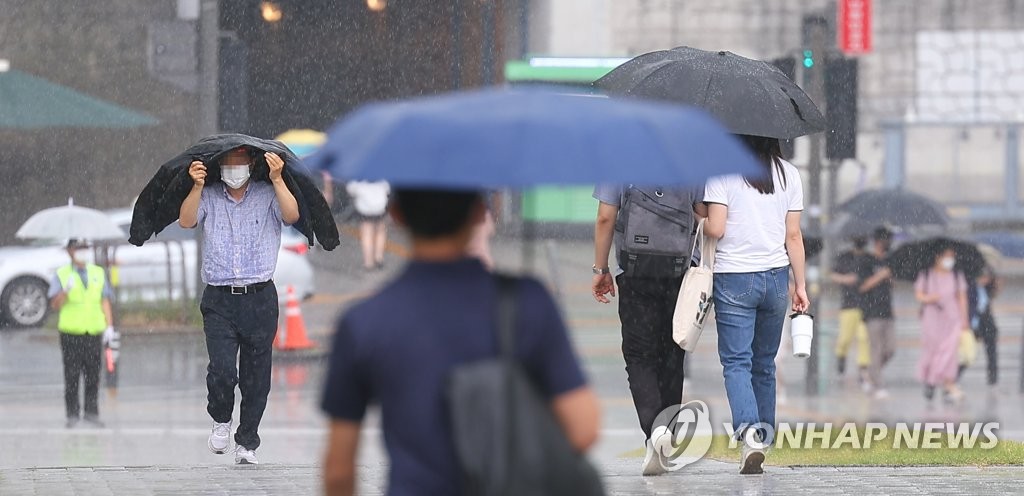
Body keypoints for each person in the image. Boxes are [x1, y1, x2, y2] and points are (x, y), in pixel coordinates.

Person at [321, 189, 599, 496]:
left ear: (397, 215)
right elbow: (583, 428)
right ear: (480, 212)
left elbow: (338, 470)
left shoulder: (364, 321)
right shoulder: (527, 303)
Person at [179, 146, 300, 465]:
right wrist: (196, 186)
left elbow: (291, 215)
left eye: (239, 164)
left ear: (251, 165)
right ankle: (221, 418)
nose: (234, 170)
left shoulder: (267, 193)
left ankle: (247, 441)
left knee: (256, 377)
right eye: (227, 164)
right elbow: (186, 220)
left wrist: (277, 178)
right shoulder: (210, 194)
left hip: (259, 296)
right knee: (221, 369)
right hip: (219, 298)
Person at [699, 135, 809, 475]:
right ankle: (764, 434)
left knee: (736, 362)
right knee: (764, 363)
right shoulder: (789, 173)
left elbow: (716, 229)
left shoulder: (722, 172)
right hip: (776, 278)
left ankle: (749, 436)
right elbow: (793, 236)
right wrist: (800, 284)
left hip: (734, 277)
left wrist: (697, 214)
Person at [592, 184, 702, 475]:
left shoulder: (619, 153)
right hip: (679, 272)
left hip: (636, 270)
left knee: (639, 356)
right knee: (673, 354)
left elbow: (606, 217)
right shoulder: (690, 155)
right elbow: (704, 214)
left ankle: (655, 430)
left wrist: (600, 268)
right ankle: (665, 430)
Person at [49, 239, 116, 429]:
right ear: (70, 251)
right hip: (71, 332)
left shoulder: (97, 272)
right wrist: (65, 291)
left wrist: (109, 326)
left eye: (85, 248)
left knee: (93, 374)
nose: (82, 252)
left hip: (93, 331)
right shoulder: (62, 274)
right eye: (78, 248)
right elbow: (55, 304)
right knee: (71, 374)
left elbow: (104, 300)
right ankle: (72, 413)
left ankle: (91, 412)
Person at [914, 243, 969, 404]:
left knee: (950, 352)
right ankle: (931, 381)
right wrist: (930, 298)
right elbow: (919, 294)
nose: (950, 260)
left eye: (952, 257)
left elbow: (962, 297)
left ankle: (947, 385)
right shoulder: (926, 274)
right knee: (933, 350)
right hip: (932, 318)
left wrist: (964, 319)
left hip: (952, 318)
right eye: (947, 256)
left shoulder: (957, 276)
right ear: (938, 257)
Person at [858, 227, 897, 399]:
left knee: (890, 349)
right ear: (877, 241)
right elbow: (862, 285)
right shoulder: (865, 260)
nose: (887, 244)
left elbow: (893, 283)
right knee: (876, 349)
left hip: (887, 311)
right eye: (884, 240)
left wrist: (889, 276)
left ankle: (870, 373)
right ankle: (878, 385)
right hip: (872, 312)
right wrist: (880, 275)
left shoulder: (889, 261)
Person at [830, 237, 872, 387]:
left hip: (865, 305)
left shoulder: (868, 259)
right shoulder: (844, 257)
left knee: (863, 338)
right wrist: (845, 279)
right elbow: (832, 274)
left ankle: (863, 371)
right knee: (844, 339)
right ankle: (841, 364)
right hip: (848, 305)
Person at [346, 180, 390, 271]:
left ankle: (368, 262)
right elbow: (387, 189)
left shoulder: (360, 176)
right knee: (381, 232)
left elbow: (351, 189)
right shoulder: (382, 176)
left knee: (366, 235)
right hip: (380, 207)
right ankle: (379, 257)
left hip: (365, 208)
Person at [969, 265, 1000, 387]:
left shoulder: (986, 288)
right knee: (968, 353)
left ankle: (993, 377)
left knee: (991, 350)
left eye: (987, 277)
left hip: (987, 322)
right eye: (982, 277)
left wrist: (996, 285)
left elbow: (990, 299)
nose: (984, 279)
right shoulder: (970, 288)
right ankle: (953, 375)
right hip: (974, 323)